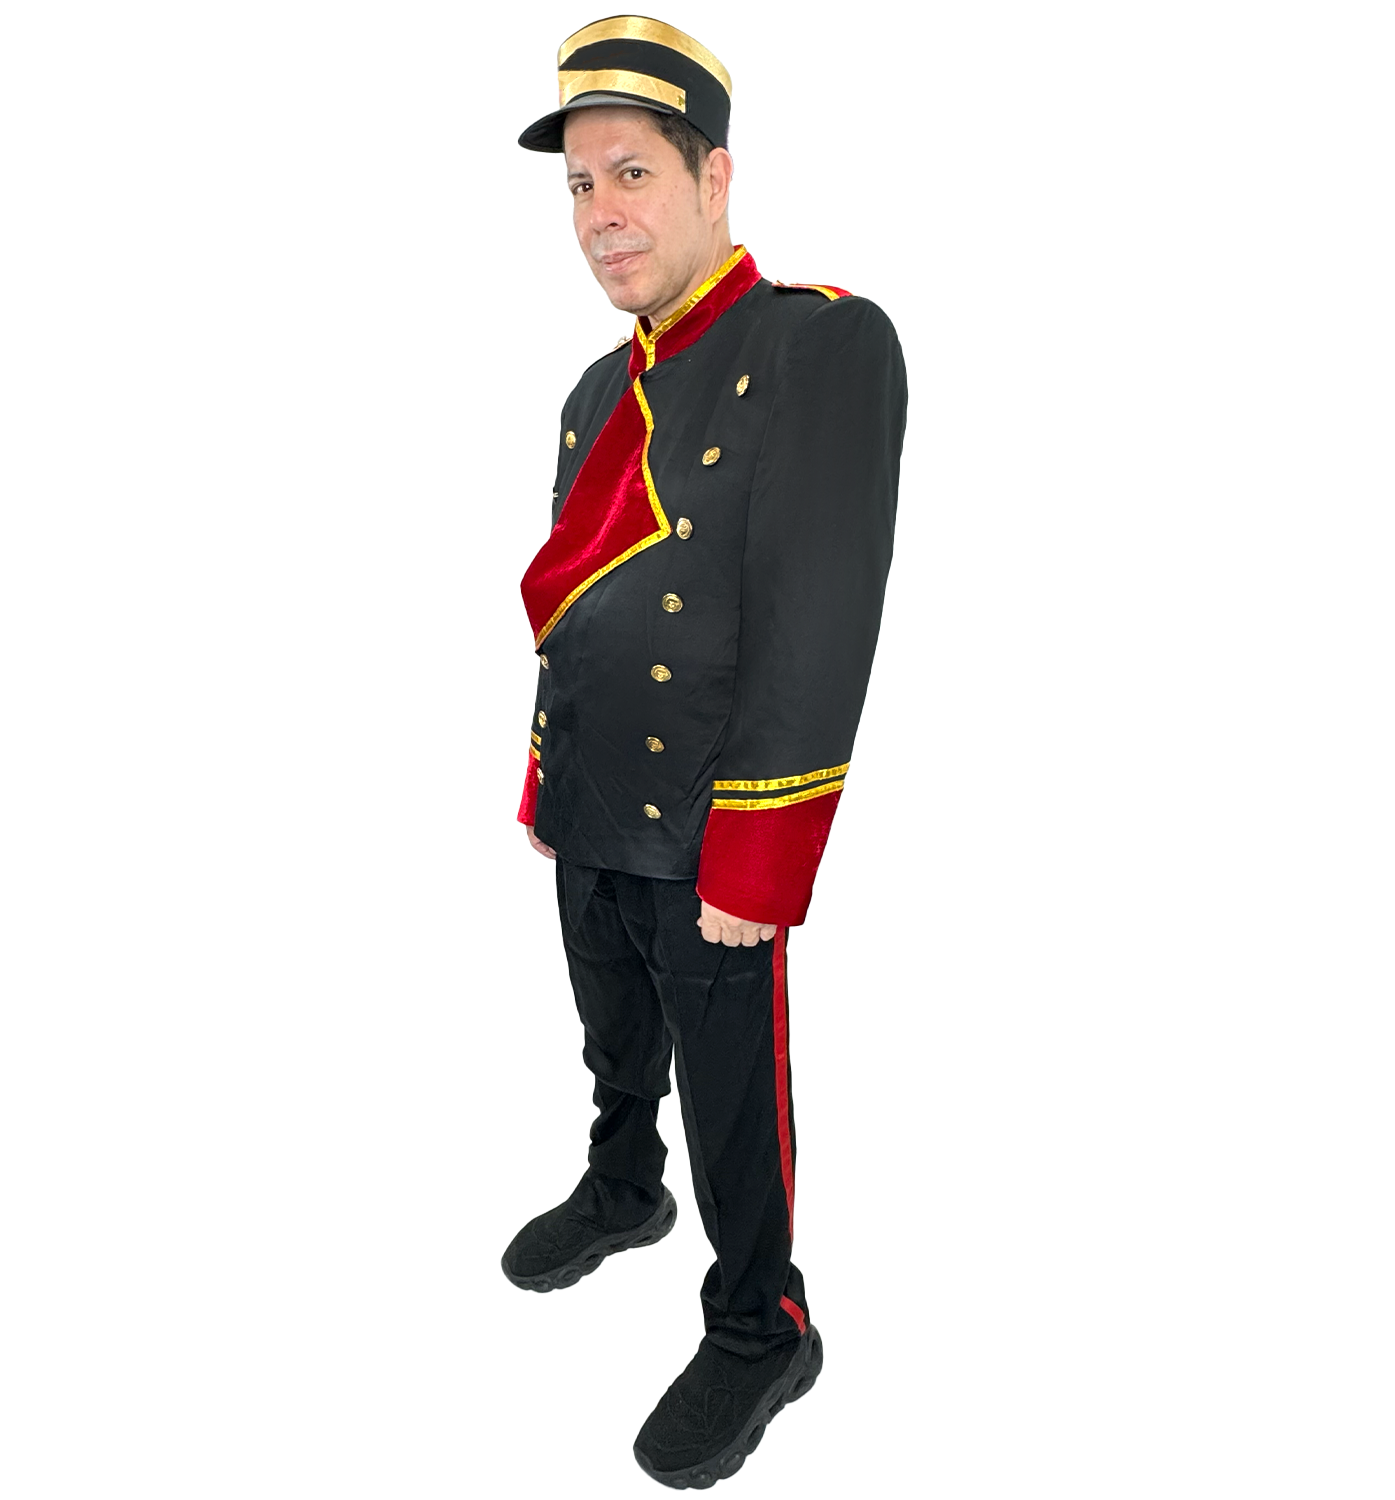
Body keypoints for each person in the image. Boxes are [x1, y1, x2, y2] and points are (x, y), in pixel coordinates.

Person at [503, 16, 907, 1488]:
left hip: (711, 820)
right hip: (596, 800)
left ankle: (759, 1323)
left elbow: (820, 621)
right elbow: (576, 616)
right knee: (612, 1033)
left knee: (734, 1093)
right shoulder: (592, 393)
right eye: (579, 185)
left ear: (713, 177)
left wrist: (761, 854)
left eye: (632, 174)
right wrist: (545, 778)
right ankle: (624, 1185)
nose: (600, 213)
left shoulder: (818, 344)